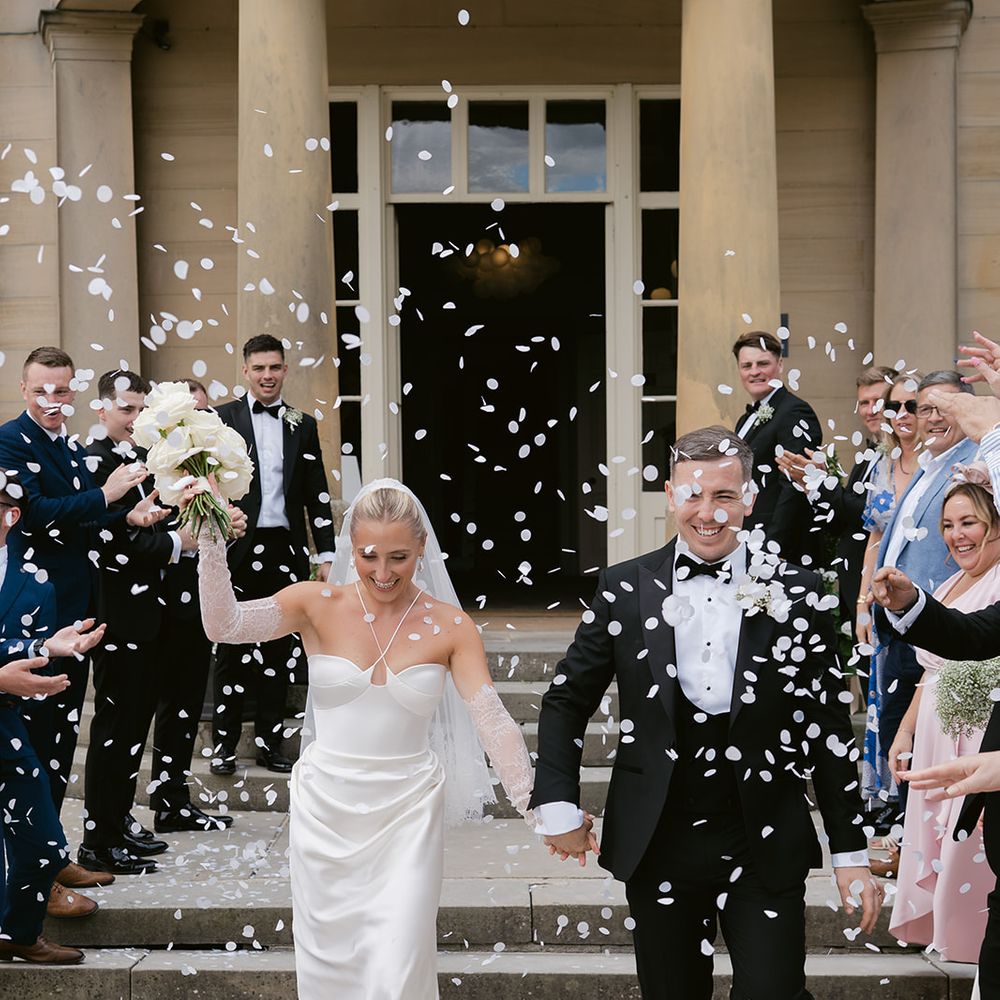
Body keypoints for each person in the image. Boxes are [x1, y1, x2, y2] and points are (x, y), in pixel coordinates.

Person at [530, 425, 879, 1000]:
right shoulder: (623, 586)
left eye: (723, 496)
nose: (708, 513)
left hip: (762, 832)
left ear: (750, 498)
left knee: (774, 992)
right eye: (693, 494)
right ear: (670, 495)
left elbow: (828, 727)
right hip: (659, 832)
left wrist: (851, 853)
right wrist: (558, 801)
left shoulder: (799, 590)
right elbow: (567, 700)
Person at [189, 476, 534, 999]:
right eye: (369, 555)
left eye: (399, 557)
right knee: (330, 969)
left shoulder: (451, 625)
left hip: (408, 812)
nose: (382, 572)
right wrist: (212, 538)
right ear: (351, 548)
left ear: (423, 547)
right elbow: (224, 624)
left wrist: (537, 805)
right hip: (326, 809)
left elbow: (491, 718)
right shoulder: (315, 603)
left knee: (400, 963)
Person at [79, 372, 240, 877]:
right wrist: (180, 545)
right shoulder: (95, 464)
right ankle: (97, 839)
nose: (133, 418)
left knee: (132, 730)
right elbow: (109, 542)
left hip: (159, 614)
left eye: (139, 409)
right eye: (125, 409)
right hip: (120, 618)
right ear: (101, 409)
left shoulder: (149, 459)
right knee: (114, 730)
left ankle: (118, 821)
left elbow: (161, 525)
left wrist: (212, 525)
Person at [872, 378, 1000, 996]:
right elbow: (944, 654)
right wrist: (902, 730)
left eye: (970, 521)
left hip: (978, 744)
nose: (956, 535)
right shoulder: (949, 586)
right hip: (939, 741)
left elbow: (976, 643)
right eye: (948, 524)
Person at [0, 347, 166, 812]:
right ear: (23, 389)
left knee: (62, 738)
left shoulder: (68, 445)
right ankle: (36, 868)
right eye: (41, 391)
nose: (52, 400)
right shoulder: (10, 441)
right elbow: (33, 516)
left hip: (81, 605)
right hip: (37, 611)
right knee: (34, 739)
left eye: (61, 390)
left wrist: (127, 519)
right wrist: (106, 493)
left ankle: (53, 859)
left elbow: (85, 524)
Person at [211, 334, 337, 775]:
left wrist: (327, 552)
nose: (267, 375)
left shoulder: (302, 423)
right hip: (236, 546)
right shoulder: (219, 419)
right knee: (230, 646)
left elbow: (317, 492)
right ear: (245, 371)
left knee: (279, 649)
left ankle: (270, 745)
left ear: (285, 370)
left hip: (285, 547)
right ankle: (223, 746)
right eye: (259, 368)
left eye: (275, 367)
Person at [867, 371, 978, 845]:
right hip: (898, 618)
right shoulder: (927, 464)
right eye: (922, 408)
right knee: (898, 728)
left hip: (940, 621)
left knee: (926, 730)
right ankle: (906, 823)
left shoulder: (974, 465)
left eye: (943, 408)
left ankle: (920, 828)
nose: (930, 418)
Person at [0, 475, 111, 933]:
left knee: (42, 837)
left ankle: (20, 935)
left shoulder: (33, 584)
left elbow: (20, 650)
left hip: (7, 725)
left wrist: (48, 645)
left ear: (10, 516)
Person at [777, 364, 896, 636]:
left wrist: (824, 485)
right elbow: (842, 522)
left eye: (878, 402)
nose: (870, 410)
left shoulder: (896, 460)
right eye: (864, 403)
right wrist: (813, 489)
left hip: (879, 586)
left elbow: (868, 517)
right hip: (853, 582)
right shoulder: (867, 456)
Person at [732, 330, 823, 565]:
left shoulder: (794, 412)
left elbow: (794, 484)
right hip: (748, 535)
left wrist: (774, 547)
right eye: (747, 365)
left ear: (780, 364)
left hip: (777, 544)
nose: (754, 372)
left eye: (763, 363)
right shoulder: (746, 419)